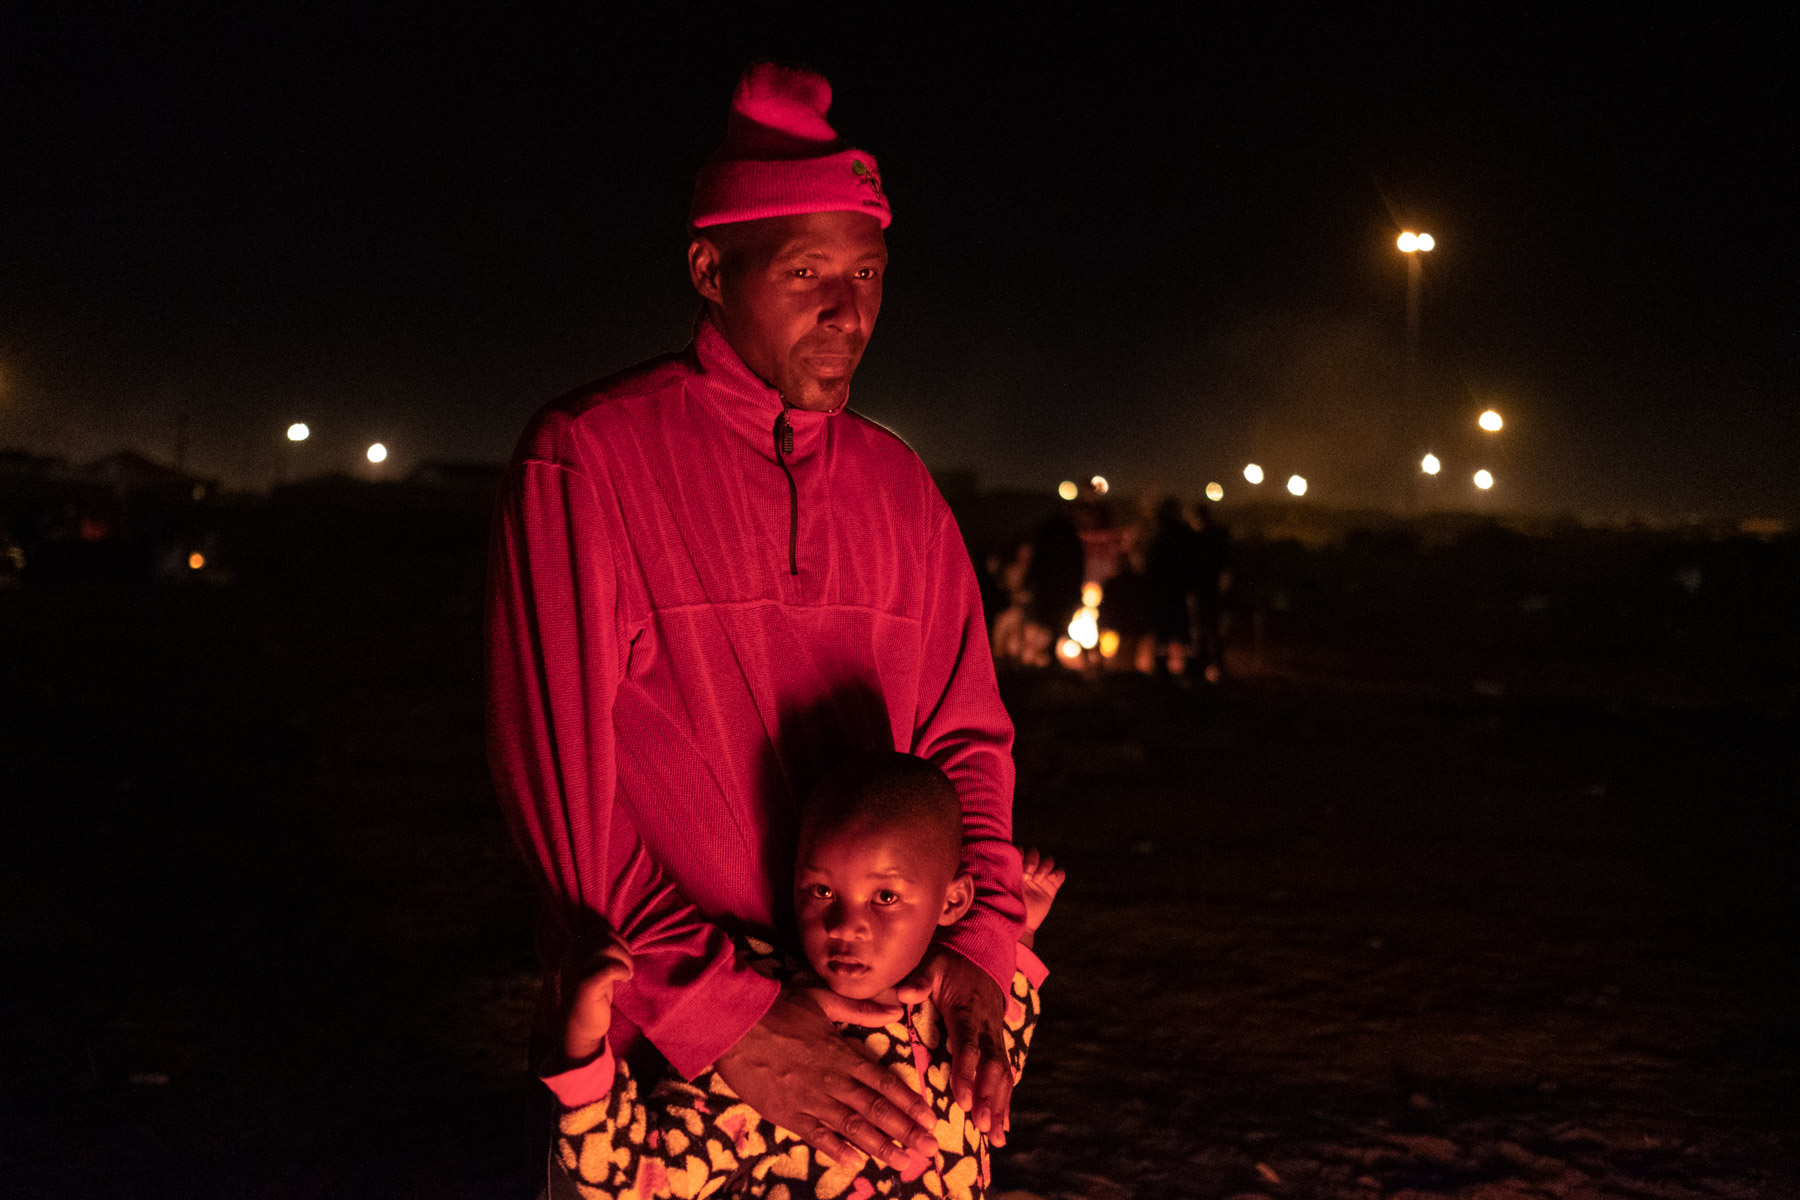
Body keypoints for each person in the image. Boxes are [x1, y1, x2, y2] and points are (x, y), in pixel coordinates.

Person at [485, 63, 1025, 1188]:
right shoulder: (591, 456)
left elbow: (966, 744)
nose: (850, 310)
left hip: (876, 1048)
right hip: (670, 1070)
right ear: (708, 271)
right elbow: (565, 797)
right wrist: (726, 1014)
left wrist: (980, 943)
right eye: (807, 273)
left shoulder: (900, 487)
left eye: (869, 273)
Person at [543, 754, 1066, 1200]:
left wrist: (1016, 939)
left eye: (885, 897)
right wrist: (583, 1049)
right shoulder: (769, 1037)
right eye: (820, 892)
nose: (846, 926)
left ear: (953, 901)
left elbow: (1005, 1041)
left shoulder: (950, 1010)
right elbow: (637, 1181)